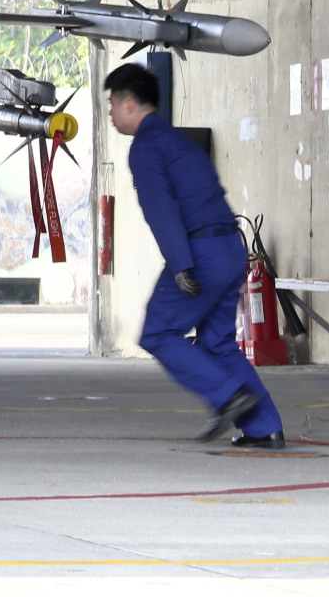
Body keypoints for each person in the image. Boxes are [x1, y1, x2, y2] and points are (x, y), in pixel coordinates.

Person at [106, 62, 286, 448]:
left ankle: (227, 396)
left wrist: (181, 265)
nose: (110, 113)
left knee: (158, 332)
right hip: (230, 248)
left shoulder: (146, 148)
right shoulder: (180, 140)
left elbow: (161, 208)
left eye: (112, 104)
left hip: (199, 253)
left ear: (130, 105)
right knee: (217, 343)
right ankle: (265, 427)